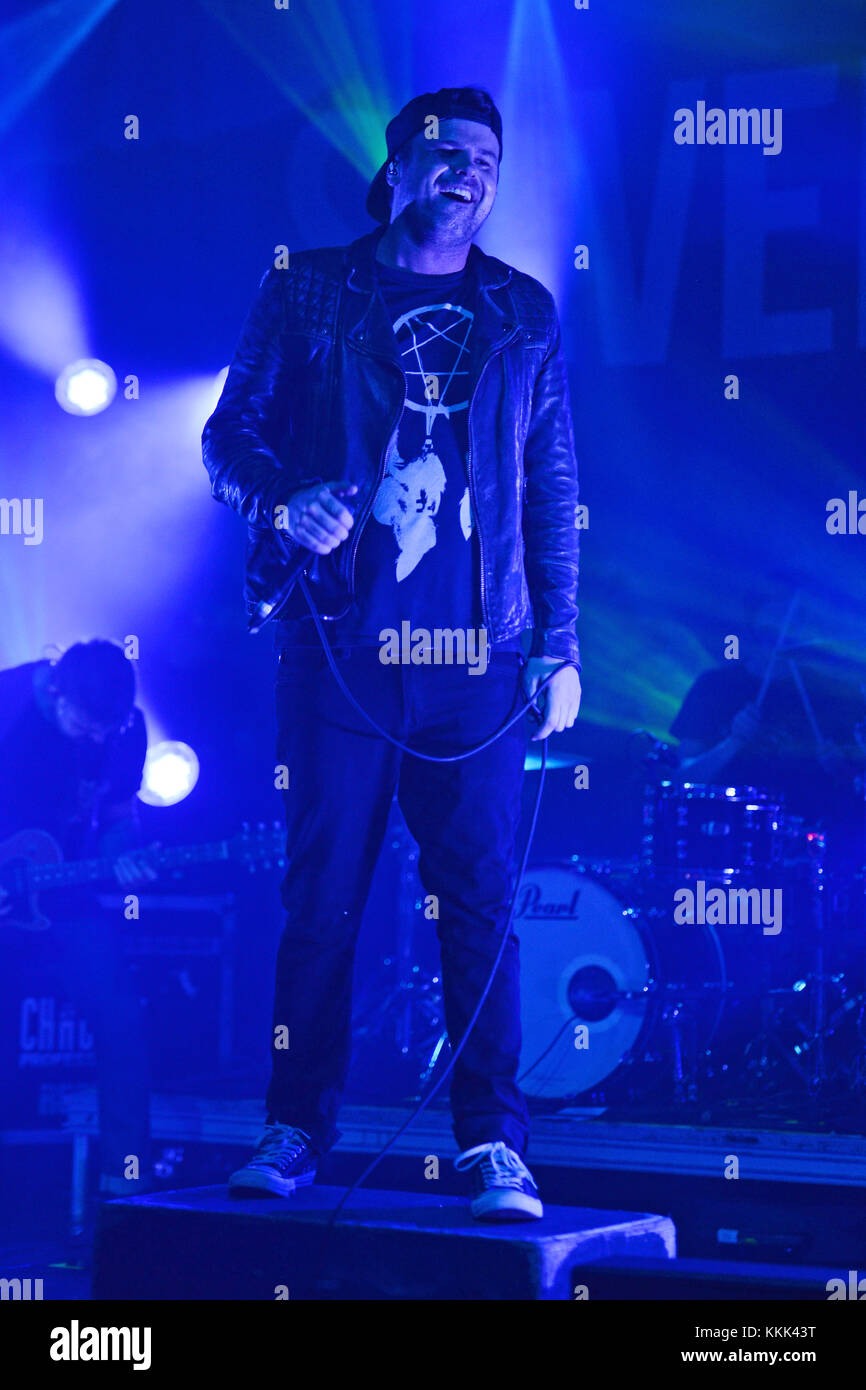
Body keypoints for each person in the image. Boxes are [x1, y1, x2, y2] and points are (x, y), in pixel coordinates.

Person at [203, 87, 581, 1220]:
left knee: (477, 901)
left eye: (486, 159)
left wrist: (557, 646)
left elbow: (551, 487)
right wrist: (286, 501)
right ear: (398, 166)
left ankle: (491, 1144)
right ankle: (292, 1126)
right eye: (446, 151)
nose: (467, 171)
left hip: (479, 657)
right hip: (342, 645)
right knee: (323, 898)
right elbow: (227, 437)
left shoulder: (522, 310)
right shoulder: (313, 286)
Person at [0, 639, 154, 1208]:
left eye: (104, 732)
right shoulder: (8, 700)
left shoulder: (124, 730)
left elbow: (117, 814)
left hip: (62, 893)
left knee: (120, 1016)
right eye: (84, 727)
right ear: (55, 691)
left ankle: (126, 1192)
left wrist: (125, 853)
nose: (95, 740)